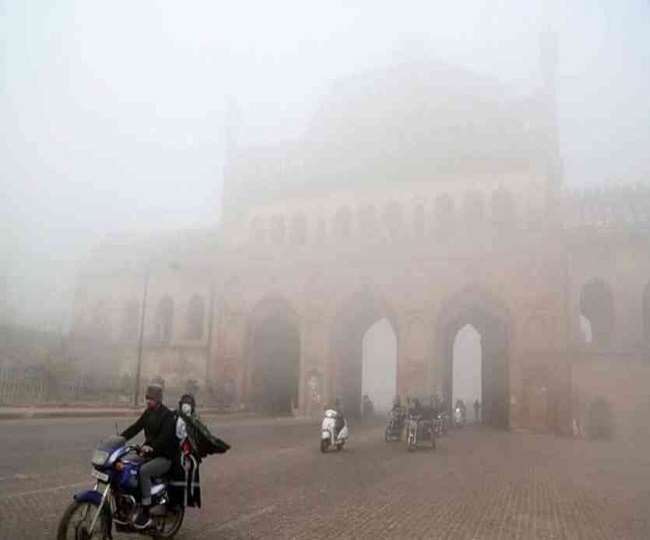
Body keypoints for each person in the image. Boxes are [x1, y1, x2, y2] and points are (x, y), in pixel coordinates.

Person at [120, 384, 176, 529]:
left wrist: (151, 447)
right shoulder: (148, 413)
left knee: (144, 471)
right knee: (126, 464)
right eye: (147, 398)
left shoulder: (167, 416)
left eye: (151, 399)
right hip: (148, 453)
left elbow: (165, 438)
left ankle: (145, 510)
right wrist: (120, 438)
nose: (148, 401)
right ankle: (129, 502)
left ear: (158, 399)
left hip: (164, 457)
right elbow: (136, 427)